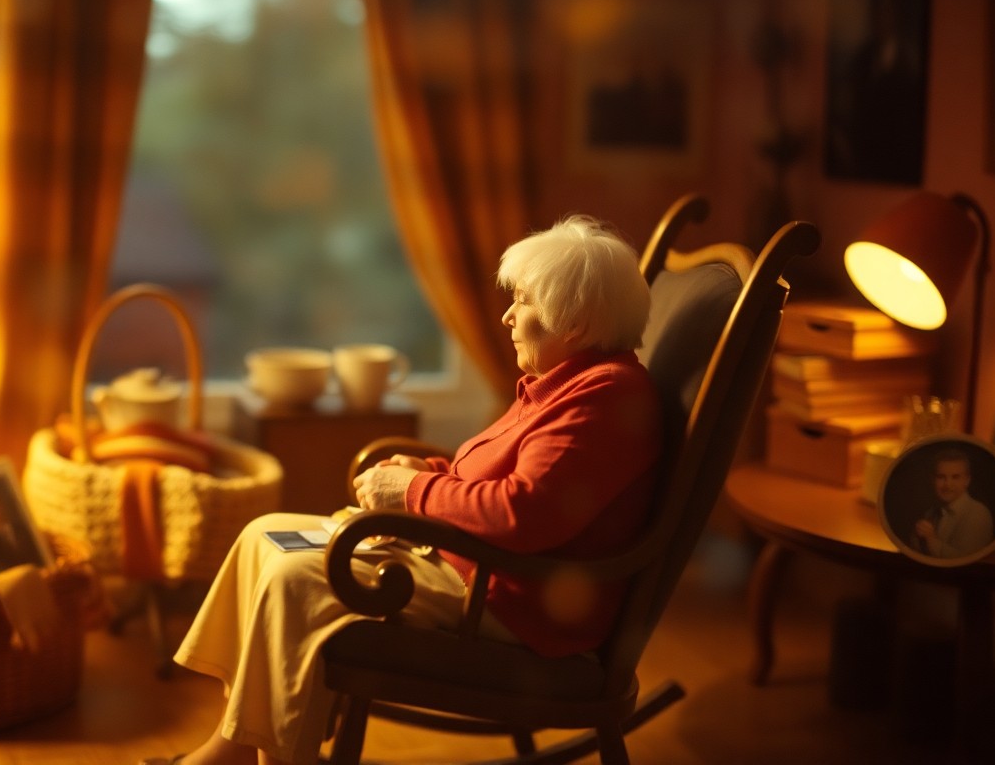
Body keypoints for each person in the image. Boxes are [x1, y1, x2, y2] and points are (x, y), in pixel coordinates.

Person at [142, 216, 662, 765]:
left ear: (574, 321)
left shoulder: (601, 399)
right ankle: (233, 749)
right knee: (263, 537)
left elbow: (522, 511)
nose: (508, 315)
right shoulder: (565, 382)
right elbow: (502, 476)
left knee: (295, 578)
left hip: (507, 601)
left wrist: (414, 491)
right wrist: (429, 469)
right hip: (464, 564)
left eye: (525, 302)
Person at [908, 447, 994, 559]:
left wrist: (931, 539)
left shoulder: (978, 514)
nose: (948, 485)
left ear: (967, 480)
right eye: (941, 477)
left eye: (955, 477)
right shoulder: (931, 513)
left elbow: (966, 562)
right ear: (932, 480)